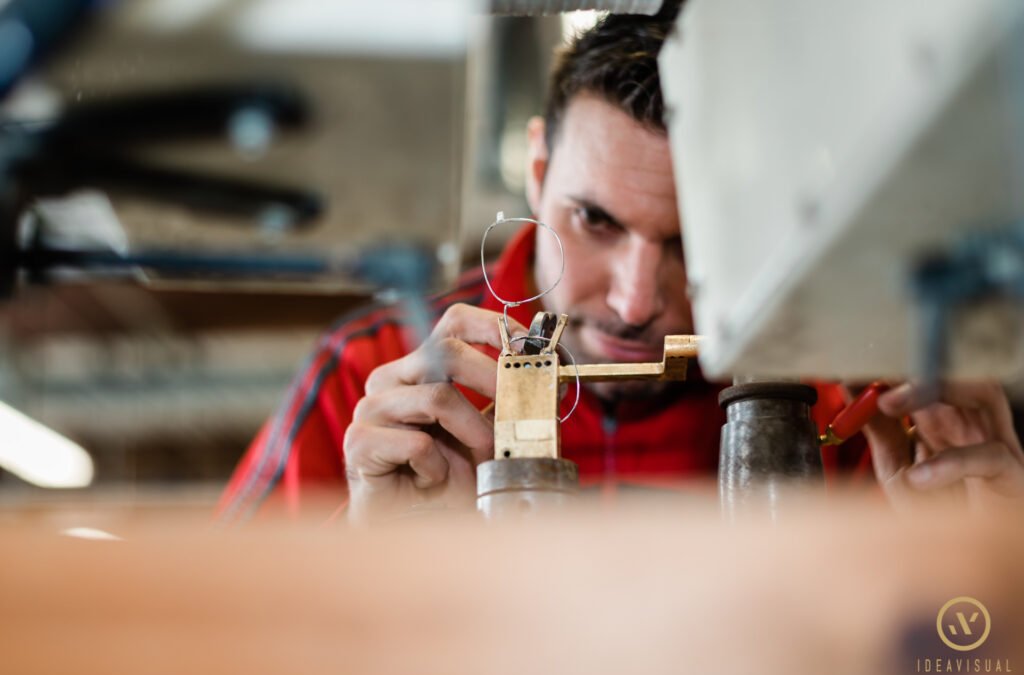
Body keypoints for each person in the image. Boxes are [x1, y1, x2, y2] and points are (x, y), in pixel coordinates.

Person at [217, 3, 1024, 524]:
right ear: (537, 171)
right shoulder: (373, 383)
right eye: (594, 220)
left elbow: (951, 651)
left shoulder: (848, 414)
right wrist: (373, 571)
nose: (636, 302)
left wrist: (976, 576)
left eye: (692, 245)